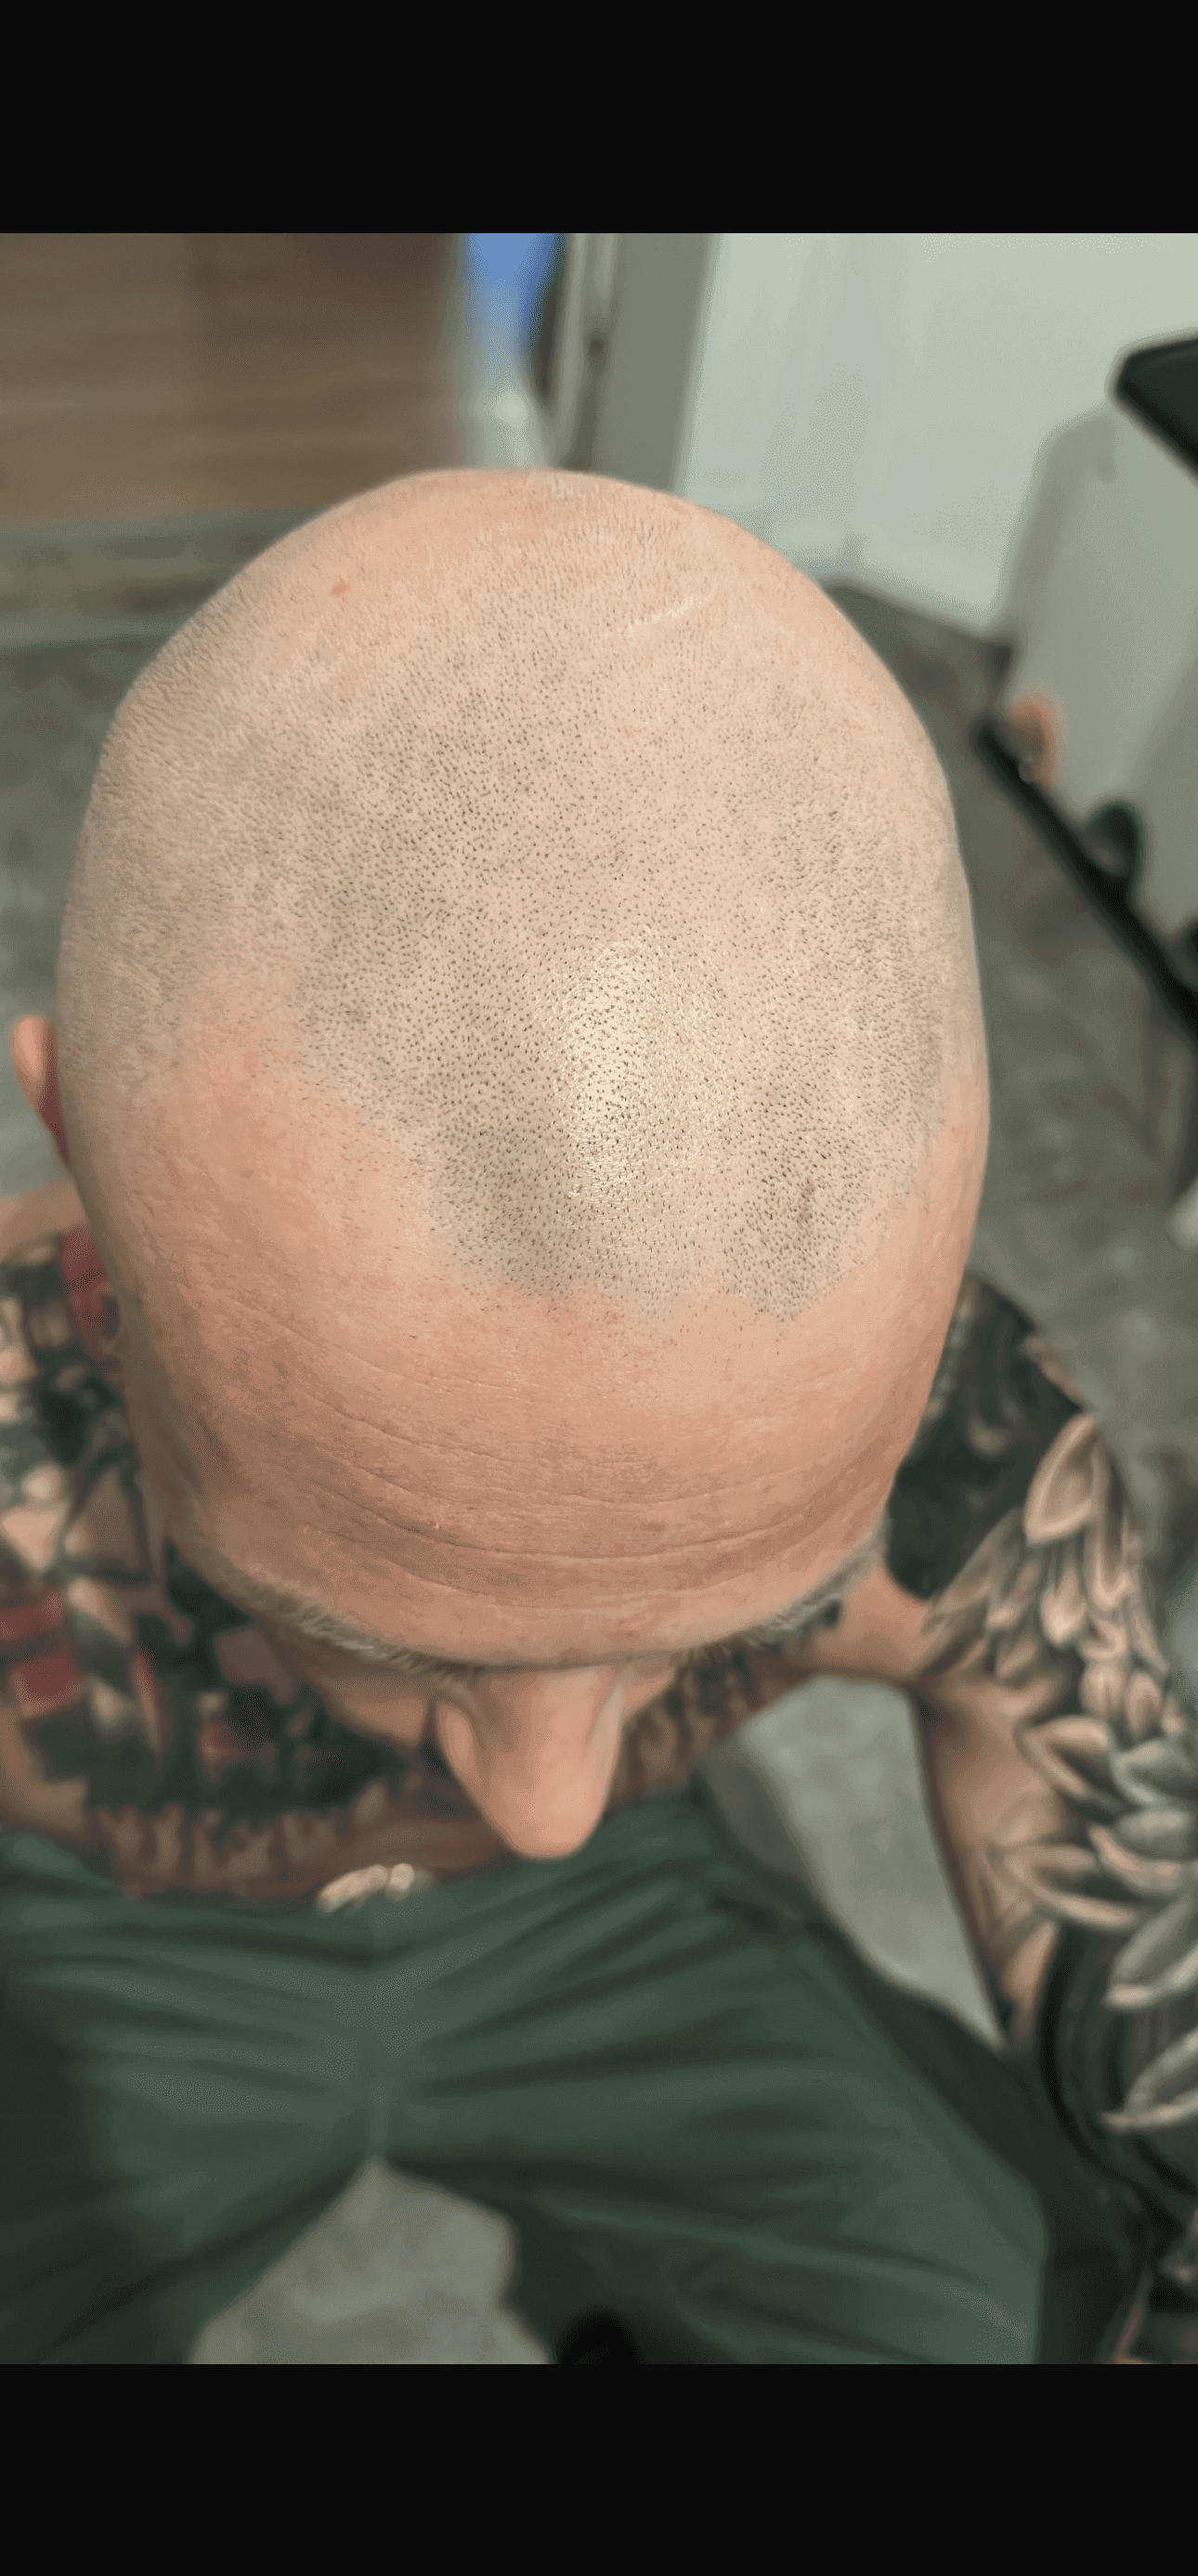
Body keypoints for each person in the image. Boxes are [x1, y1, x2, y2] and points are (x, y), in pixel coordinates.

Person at [1, 468, 1194, 2362]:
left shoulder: (956, 1449)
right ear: (86, 1165)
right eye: (386, 1634)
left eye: (696, 1633)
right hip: (95, 1938)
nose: (545, 1799)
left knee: (1020, 2312)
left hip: (617, 1953)